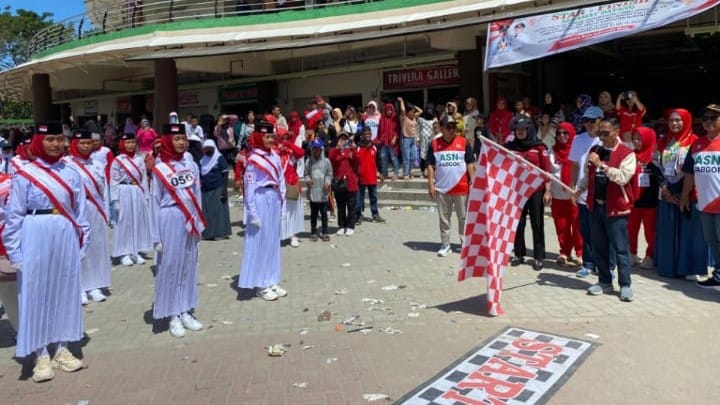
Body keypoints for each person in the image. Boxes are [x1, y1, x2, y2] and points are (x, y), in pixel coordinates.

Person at [2, 122, 90, 382]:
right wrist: (15, 253)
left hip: (64, 232)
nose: (55, 144)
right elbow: (14, 214)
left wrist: (82, 242)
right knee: (35, 292)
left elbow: (80, 210)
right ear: (39, 142)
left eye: (59, 139)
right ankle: (40, 353)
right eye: (49, 139)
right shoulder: (25, 173)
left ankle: (62, 348)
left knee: (64, 290)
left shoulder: (71, 171)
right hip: (35, 232)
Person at [150, 124, 206, 337]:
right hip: (170, 217)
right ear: (166, 141)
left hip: (190, 217)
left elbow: (197, 193)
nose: (182, 142)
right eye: (177, 139)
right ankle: (172, 314)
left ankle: (185, 309)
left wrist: (199, 220)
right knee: (171, 266)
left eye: (184, 138)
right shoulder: (160, 167)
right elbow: (154, 201)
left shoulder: (190, 164)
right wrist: (156, 236)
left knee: (189, 265)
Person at [574, 118, 637, 302]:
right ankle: (604, 281)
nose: (601, 136)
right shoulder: (594, 150)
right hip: (596, 206)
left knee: (620, 249)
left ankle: (625, 285)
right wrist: (579, 189)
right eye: (599, 132)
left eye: (605, 133)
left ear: (616, 132)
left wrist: (602, 165)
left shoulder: (627, 153)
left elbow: (623, 178)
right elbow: (588, 175)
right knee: (599, 247)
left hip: (616, 208)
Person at [655, 108, 708, 280]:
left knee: (690, 233)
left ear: (687, 121)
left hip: (689, 194)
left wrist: (685, 192)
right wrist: (665, 190)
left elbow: (697, 171)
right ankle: (668, 267)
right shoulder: (663, 141)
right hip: (667, 193)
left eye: (678, 120)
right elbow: (655, 166)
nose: (674, 124)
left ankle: (690, 268)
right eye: (671, 121)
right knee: (668, 231)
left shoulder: (696, 142)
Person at [238, 121, 288, 301]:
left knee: (273, 242)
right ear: (259, 137)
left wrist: (282, 204)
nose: (270, 139)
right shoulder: (253, 159)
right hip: (260, 199)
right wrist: (251, 212)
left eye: (271, 136)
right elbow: (249, 188)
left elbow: (281, 180)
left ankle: (272, 279)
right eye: (267, 136)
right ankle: (260, 284)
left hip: (274, 198)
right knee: (260, 242)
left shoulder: (274, 156)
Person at [64, 130, 112, 304]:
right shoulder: (66, 164)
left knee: (97, 247)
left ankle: (96, 285)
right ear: (74, 144)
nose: (85, 146)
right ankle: (80, 287)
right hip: (76, 210)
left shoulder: (97, 164)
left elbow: (104, 190)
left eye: (88, 143)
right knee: (79, 248)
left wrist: (106, 212)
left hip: (95, 208)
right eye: (81, 143)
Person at [681, 104, 720, 290]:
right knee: (712, 241)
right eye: (705, 118)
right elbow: (689, 174)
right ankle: (718, 275)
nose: (708, 122)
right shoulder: (696, 145)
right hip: (704, 204)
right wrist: (684, 196)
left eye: (713, 118)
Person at [506, 117, 552, 270]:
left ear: (529, 130)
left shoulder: (539, 147)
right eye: (517, 129)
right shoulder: (509, 147)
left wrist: (548, 190)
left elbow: (547, 171)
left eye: (523, 129)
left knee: (537, 223)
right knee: (518, 224)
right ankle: (519, 254)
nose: (520, 132)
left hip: (536, 191)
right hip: (516, 191)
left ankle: (538, 256)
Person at [426, 116, 476, 257]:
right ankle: (445, 244)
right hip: (442, 188)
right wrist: (430, 184)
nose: (452, 130)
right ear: (441, 129)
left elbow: (470, 163)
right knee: (444, 218)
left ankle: (465, 244)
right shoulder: (434, 144)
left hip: (461, 188)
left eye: (454, 127)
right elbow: (430, 166)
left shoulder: (464, 142)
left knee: (463, 218)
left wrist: (473, 182)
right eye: (449, 127)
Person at [569, 106, 604, 278]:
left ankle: (604, 264)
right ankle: (588, 263)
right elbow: (575, 165)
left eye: (592, 121)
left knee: (601, 232)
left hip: (601, 193)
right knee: (586, 230)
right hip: (583, 192)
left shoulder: (607, 140)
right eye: (586, 121)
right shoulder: (578, 139)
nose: (589, 124)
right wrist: (572, 186)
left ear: (600, 120)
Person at [110, 132, 152, 266]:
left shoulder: (139, 159)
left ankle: (136, 251)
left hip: (137, 191)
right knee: (124, 222)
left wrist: (146, 195)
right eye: (127, 142)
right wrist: (115, 200)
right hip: (124, 191)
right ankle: (124, 253)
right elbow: (114, 180)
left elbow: (144, 178)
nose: (130, 145)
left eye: (133, 142)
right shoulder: (118, 160)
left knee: (137, 221)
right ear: (122, 144)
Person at [628, 127, 663, 269]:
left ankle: (650, 256)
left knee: (650, 231)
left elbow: (661, 178)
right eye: (634, 138)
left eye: (639, 138)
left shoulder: (655, 157)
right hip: (633, 201)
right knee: (631, 229)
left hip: (650, 201)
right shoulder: (630, 156)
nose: (636, 142)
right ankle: (632, 254)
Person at [549, 122, 583, 267]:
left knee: (577, 226)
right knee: (561, 225)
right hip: (557, 195)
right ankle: (564, 252)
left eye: (565, 133)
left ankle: (580, 253)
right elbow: (548, 172)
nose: (562, 136)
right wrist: (547, 190)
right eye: (559, 133)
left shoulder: (577, 151)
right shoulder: (552, 151)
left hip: (575, 196)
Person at [278, 128, 305, 247]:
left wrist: (288, 144)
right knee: (280, 212)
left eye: (286, 137)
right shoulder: (274, 152)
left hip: (292, 183)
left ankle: (293, 235)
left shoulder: (291, 151)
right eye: (282, 138)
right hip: (279, 185)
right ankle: (279, 235)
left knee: (293, 211)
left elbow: (301, 153)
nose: (284, 140)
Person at [199, 139, 231, 240]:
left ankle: (219, 233)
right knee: (207, 212)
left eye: (210, 148)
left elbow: (225, 173)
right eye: (206, 148)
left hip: (218, 188)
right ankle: (208, 234)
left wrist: (224, 190)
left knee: (218, 211)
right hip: (205, 189)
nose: (208, 150)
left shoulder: (219, 158)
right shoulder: (202, 160)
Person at [329, 132, 358, 236]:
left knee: (351, 205)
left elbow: (357, 161)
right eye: (341, 139)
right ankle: (341, 226)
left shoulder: (350, 150)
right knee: (341, 206)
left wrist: (354, 149)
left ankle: (350, 226)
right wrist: (338, 148)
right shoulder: (334, 150)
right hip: (339, 182)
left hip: (351, 182)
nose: (343, 141)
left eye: (345, 139)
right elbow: (331, 159)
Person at [355, 126, 385, 224]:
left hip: (372, 176)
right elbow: (354, 163)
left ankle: (375, 215)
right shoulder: (358, 147)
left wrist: (381, 172)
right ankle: (358, 216)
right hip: (360, 177)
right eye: (365, 134)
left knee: (374, 197)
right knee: (359, 199)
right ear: (362, 136)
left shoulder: (375, 147)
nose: (367, 136)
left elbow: (379, 161)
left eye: (369, 134)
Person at [305, 138, 333, 241]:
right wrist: (308, 180)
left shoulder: (326, 161)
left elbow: (330, 174)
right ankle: (313, 231)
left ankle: (325, 231)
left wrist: (327, 182)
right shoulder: (309, 161)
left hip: (323, 193)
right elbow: (306, 174)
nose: (316, 151)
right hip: (313, 192)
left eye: (318, 149)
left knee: (324, 214)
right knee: (313, 214)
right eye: (314, 149)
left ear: (321, 150)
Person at [398, 97, 422, 179]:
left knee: (414, 157)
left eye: (413, 112)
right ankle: (406, 174)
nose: (413, 113)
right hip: (405, 139)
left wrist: (413, 106)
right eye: (411, 112)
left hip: (413, 139)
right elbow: (403, 110)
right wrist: (401, 101)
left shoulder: (414, 117)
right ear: (407, 112)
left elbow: (421, 111)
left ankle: (409, 171)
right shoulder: (404, 118)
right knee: (406, 158)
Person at [377, 102, 400, 182]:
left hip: (392, 142)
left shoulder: (394, 118)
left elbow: (397, 130)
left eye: (391, 110)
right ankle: (385, 174)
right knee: (383, 158)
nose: (389, 111)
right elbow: (380, 131)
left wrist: (394, 138)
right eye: (388, 110)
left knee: (394, 158)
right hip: (384, 142)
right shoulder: (382, 119)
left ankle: (396, 174)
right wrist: (380, 139)